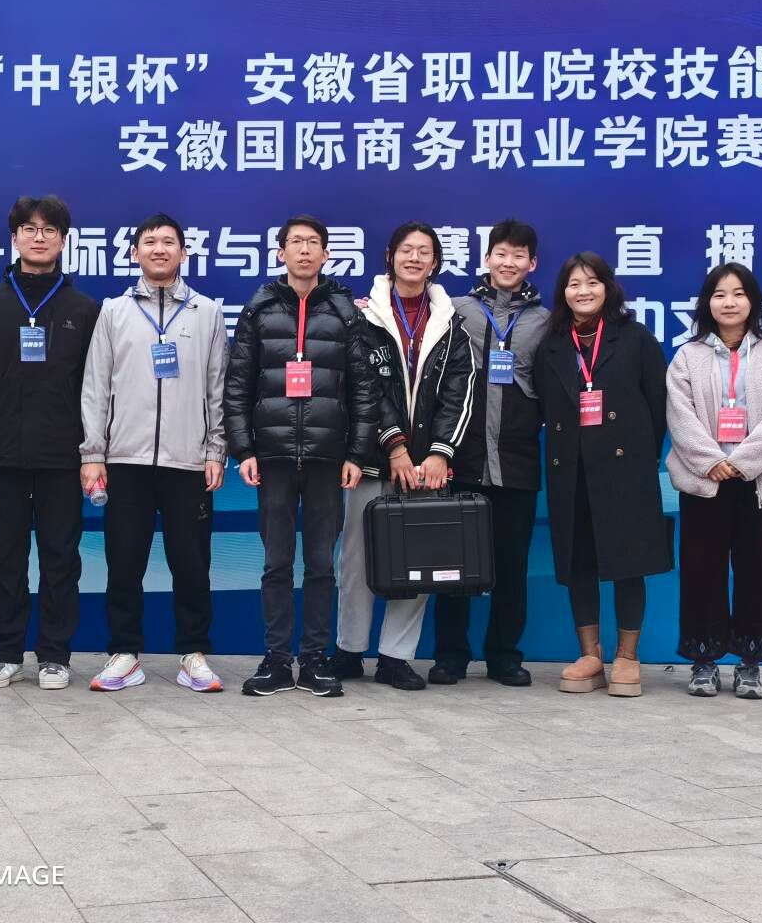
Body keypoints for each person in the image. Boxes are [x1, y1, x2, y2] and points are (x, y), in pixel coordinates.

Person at [224, 214, 378, 698]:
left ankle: (313, 658)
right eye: (296, 242)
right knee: (275, 563)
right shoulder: (259, 308)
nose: (305, 250)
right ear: (281, 252)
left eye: (313, 242)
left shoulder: (344, 311)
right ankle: (276, 659)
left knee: (320, 564)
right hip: (271, 457)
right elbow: (237, 385)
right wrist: (243, 449)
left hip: (327, 458)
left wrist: (356, 453)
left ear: (326, 253)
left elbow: (364, 389)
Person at [80, 214, 229, 693]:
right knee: (124, 562)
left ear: (184, 252)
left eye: (168, 242)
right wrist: (93, 453)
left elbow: (217, 387)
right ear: (135, 252)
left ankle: (193, 654)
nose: (159, 249)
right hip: (125, 459)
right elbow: (96, 386)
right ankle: (125, 653)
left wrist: (216, 448)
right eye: (150, 242)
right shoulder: (114, 311)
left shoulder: (206, 312)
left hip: (189, 461)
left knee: (192, 562)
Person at [329, 222, 474, 690]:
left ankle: (396, 657)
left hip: (428, 466)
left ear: (435, 262)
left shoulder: (451, 323)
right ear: (389, 256)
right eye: (407, 250)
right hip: (372, 458)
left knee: (419, 560)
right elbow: (362, 386)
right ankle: (349, 650)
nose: (414, 258)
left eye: (424, 252)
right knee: (355, 560)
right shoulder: (363, 316)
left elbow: (459, 393)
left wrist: (439, 453)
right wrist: (393, 444)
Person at [0, 196, 100, 691]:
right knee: (6, 555)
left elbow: (92, 383)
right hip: (3, 452)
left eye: (49, 230)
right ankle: (3, 654)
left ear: (63, 240)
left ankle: (54, 655)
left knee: (60, 556)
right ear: (14, 237)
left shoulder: (84, 309)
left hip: (63, 454)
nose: (38, 237)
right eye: (29, 228)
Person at [534, 252, 670, 698]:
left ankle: (627, 657)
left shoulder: (634, 337)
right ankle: (590, 656)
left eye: (592, 282)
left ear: (608, 288)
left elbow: (658, 406)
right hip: (570, 471)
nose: (583, 291)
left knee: (629, 562)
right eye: (574, 284)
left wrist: (641, 457)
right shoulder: (552, 343)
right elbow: (544, 404)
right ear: (563, 292)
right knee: (580, 563)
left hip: (625, 469)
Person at [666, 263, 762, 699]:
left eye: (739, 293)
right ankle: (704, 662)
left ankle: (750, 663)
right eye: (719, 294)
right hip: (705, 483)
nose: (729, 302)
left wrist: (742, 462)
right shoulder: (687, 356)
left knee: (757, 574)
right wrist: (711, 461)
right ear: (707, 302)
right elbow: (679, 416)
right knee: (701, 572)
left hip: (759, 483)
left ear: (753, 301)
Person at [431, 219, 550, 687]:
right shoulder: (456, 309)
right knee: (451, 564)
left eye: (519, 255)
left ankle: (504, 655)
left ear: (532, 263)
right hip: (461, 459)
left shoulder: (545, 320)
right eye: (501, 253)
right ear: (487, 258)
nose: (509, 262)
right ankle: (450, 655)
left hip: (517, 462)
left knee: (512, 565)